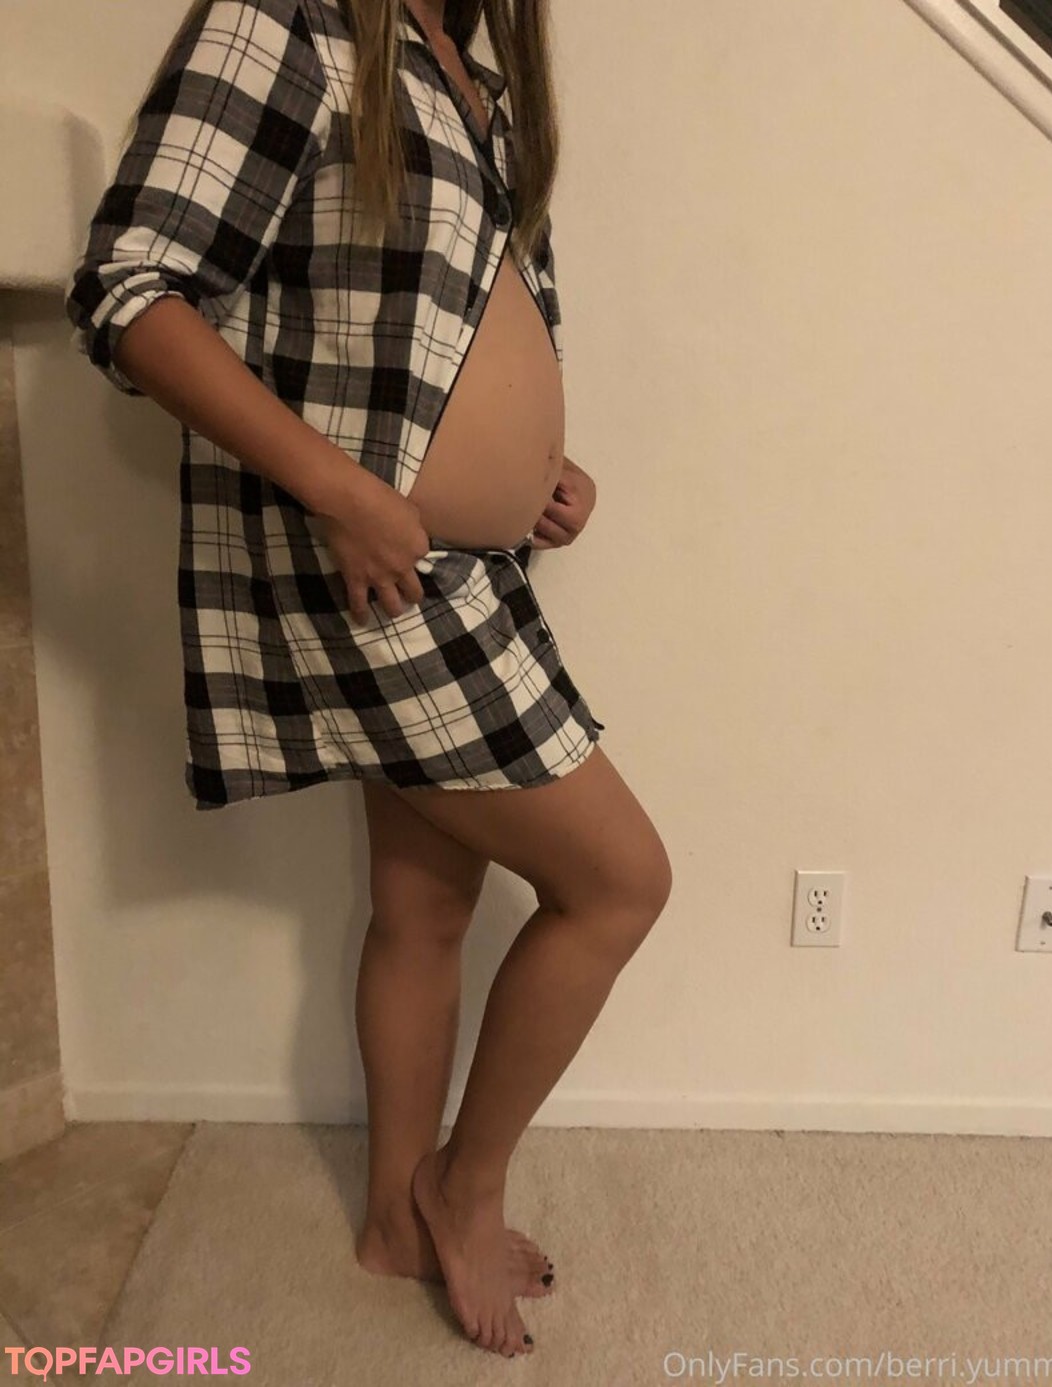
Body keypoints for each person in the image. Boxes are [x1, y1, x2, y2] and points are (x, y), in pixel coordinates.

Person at [67, 0, 672, 1360]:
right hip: (375, 572)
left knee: (423, 905)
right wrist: (342, 491)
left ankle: (396, 1220)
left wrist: (541, 469)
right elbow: (130, 288)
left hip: (469, 563)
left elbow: (459, 325)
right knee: (620, 883)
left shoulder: (481, 81)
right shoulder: (289, 21)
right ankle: (463, 1188)